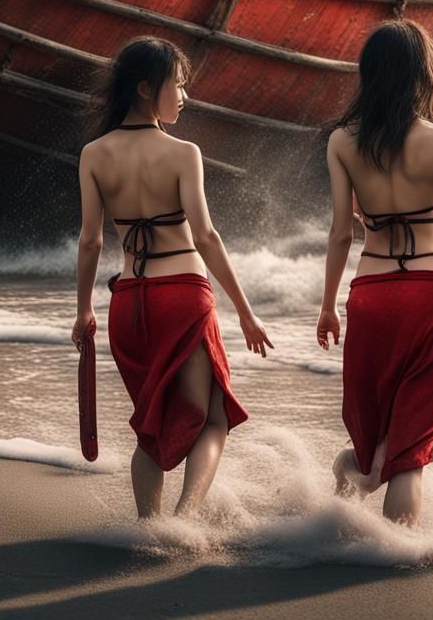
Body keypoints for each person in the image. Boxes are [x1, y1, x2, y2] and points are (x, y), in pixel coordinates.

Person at [72, 36, 272, 519]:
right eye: (177, 85)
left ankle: (149, 526)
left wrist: (83, 312)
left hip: (128, 306)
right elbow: (206, 236)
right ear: (146, 89)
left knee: (153, 424)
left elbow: (92, 242)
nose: (183, 96)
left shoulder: (94, 154)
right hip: (182, 296)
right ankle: (183, 521)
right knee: (213, 418)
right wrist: (245, 312)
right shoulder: (184, 153)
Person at [316, 19, 433, 526]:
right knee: (409, 452)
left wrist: (328, 306)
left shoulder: (342, 142)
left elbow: (338, 235)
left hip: (371, 293)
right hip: (432, 293)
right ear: (422, 74)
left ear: (368, 74)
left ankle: (336, 527)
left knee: (372, 435)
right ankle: (392, 558)